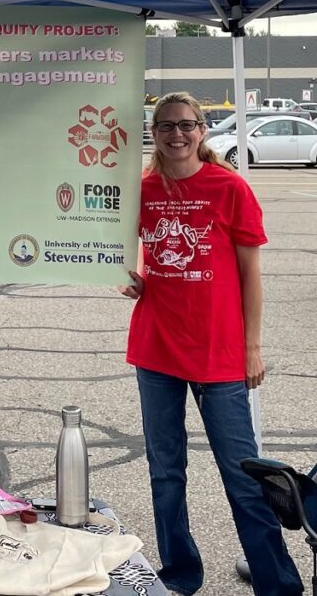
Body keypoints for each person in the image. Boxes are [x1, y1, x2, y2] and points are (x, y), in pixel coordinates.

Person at [119, 92, 302, 596]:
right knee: (165, 471)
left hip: (219, 351)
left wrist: (252, 347)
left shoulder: (229, 187)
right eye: (166, 126)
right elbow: (122, 251)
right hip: (156, 347)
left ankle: (277, 582)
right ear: (153, 133)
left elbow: (251, 276)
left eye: (187, 125)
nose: (177, 135)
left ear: (202, 130)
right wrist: (129, 277)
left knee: (243, 475)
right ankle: (180, 574)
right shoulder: (142, 189)